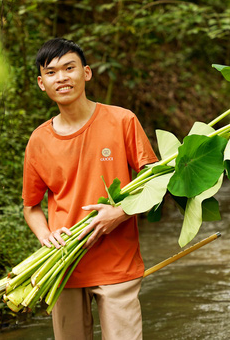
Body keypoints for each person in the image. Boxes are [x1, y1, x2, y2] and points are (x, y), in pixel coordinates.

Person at [21, 38, 158, 340]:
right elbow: (31, 207)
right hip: (64, 265)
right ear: (42, 83)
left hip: (117, 264)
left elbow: (155, 181)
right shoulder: (39, 140)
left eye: (69, 68)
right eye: (52, 72)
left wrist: (119, 213)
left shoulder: (122, 121)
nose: (62, 78)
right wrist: (46, 236)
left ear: (86, 73)